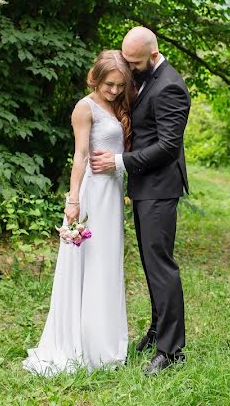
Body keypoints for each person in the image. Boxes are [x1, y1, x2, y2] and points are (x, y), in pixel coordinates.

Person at [22, 50, 134, 376]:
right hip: (92, 194)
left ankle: (104, 341)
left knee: (108, 263)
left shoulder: (118, 105)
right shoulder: (85, 108)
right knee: (91, 263)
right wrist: (73, 202)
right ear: (95, 78)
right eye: (109, 84)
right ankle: (82, 343)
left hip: (112, 196)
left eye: (119, 85)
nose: (113, 91)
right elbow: (81, 155)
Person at [89, 26, 190, 376]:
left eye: (134, 62)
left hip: (161, 189)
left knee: (161, 266)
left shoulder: (171, 86)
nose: (128, 69)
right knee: (150, 265)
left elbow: (168, 146)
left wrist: (119, 162)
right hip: (146, 188)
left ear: (153, 53)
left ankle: (171, 351)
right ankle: (156, 331)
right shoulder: (147, 77)